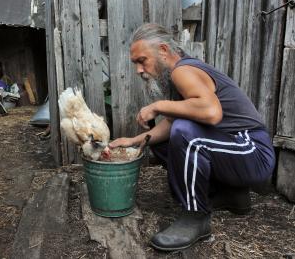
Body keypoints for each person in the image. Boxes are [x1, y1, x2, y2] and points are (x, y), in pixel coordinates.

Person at [109, 23, 275, 251]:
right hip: (240, 151)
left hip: (252, 151)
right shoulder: (178, 74)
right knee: (164, 140)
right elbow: (172, 124)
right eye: (135, 63)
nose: (138, 70)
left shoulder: (182, 71)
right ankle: (233, 195)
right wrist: (135, 140)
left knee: (185, 133)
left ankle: (196, 217)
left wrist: (158, 105)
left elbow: (210, 112)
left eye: (141, 60)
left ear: (163, 50)